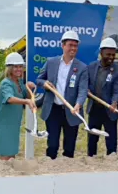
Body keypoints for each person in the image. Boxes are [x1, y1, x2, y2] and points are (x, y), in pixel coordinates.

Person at [36, 30, 88, 160]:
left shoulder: (82, 67)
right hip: (53, 109)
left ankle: (67, 173)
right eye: (70, 45)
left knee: (69, 147)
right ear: (63, 46)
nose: (73, 48)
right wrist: (45, 84)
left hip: (72, 110)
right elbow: (39, 79)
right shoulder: (51, 62)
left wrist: (78, 104)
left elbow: (83, 90)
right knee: (52, 145)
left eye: (76, 46)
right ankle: (50, 168)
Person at [0, 52, 37, 160]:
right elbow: (10, 98)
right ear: (9, 68)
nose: (19, 69)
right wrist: (26, 101)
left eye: (20, 67)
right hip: (4, 123)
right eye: (15, 67)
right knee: (6, 152)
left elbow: (26, 94)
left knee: (12, 151)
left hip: (13, 122)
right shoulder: (6, 83)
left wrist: (29, 88)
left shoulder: (19, 82)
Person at [86, 37, 118, 157]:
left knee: (111, 139)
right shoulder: (91, 67)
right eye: (108, 54)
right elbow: (86, 84)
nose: (111, 57)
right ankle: (91, 158)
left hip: (110, 110)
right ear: (101, 53)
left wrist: (114, 102)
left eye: (113, 54)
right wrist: (85, 90)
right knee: (92, 138)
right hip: (94, 109)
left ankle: (111, 160)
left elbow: (117, 90)